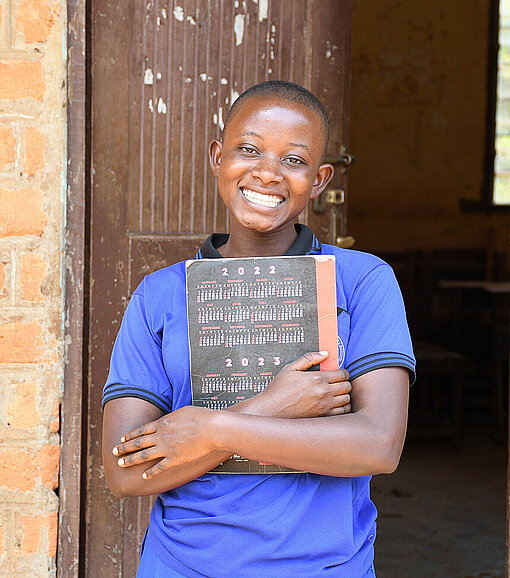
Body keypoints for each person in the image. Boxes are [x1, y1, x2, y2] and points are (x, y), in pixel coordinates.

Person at [102, 80, 415, 577]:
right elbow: (127, 473)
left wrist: (211, 427)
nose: (267, 173)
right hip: (183, 565)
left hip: (324, 567)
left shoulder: (362, 281)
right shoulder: (159, 296)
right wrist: (269, 407)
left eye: (294, 160)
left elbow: (378, 444)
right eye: (248, 149)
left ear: (319, 179)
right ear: (217, 157)